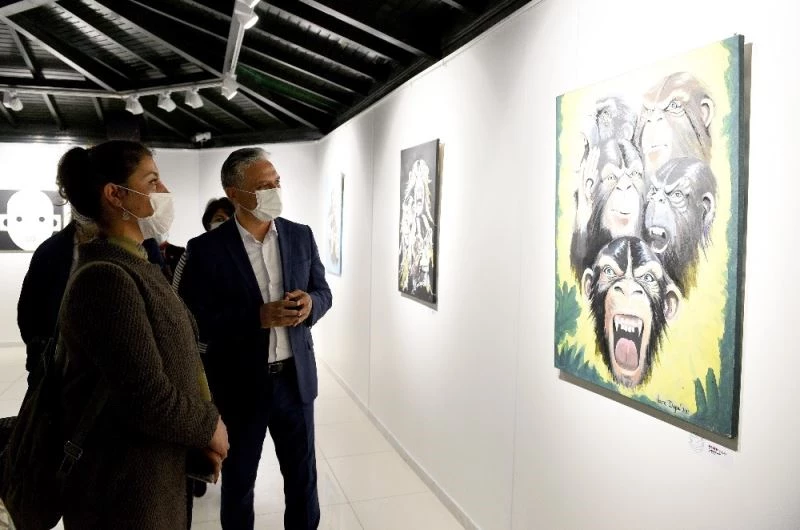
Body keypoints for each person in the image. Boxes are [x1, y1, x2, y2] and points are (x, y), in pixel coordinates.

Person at [55, 140, 229, 529]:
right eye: (152, 181)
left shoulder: (136, 263)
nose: (164, 191)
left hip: (150, 474)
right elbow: (146, 395)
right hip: (124, 491)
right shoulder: (106, 278)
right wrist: (209, 426)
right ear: (115, 194)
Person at [174, 147, 332, 529]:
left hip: (295, 382)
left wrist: (311, 303)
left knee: (303, 481)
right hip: (240, 387)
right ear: (234, 193)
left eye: (277, 181)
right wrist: (255, 318)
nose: (275, 190)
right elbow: (193, 322)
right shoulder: (205, 250)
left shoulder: (300, 235)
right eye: (264, 186)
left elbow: (324, 291)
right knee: (239, 484)